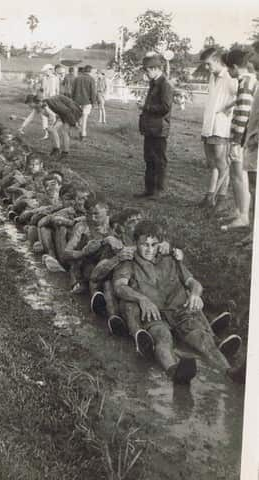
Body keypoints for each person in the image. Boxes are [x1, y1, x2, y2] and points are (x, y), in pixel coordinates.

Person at [112, 220, 242, 383]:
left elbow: (193, 283)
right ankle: (174, 371)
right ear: (135, 243)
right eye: (144, 244)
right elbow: (119, 287)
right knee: (163, 337)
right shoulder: (129, 262)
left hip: (179, 310)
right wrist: (142, 298)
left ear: (160, 244)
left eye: (154, 244)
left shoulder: (170, 259)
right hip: (154, 313)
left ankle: (230, 372)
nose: (149, 249)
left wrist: (195, 294)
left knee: (202, 337)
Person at [221, 49, 257, 230]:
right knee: (238, 176)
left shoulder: (245, 83)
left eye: (229, 68)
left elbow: (244, 115)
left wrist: (236, 141)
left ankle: (243, 216)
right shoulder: (250, 80)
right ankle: (238, 211)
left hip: (241, 139)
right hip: (244, 138)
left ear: (235, 67)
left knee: (238, 176)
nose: (228, 72)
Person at [199, 48, 238, 213]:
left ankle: (221, 198)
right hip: (208, 126)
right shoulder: (212, 76)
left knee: (222, 164)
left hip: (221, 127)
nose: (207, 68)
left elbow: (240, 95)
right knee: (212, 163)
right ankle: (209, 196)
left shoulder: (229, 76)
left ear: (217, 60)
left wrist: (226, 108)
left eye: (208, 64)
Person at [135, 55, 173, 200]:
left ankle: (159, 191)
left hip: (159, 129)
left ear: (156, 69)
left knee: (159, 161)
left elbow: (165, 107)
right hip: (150, 128)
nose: (146, 74)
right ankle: (149, 190)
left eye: (148, 70)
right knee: (149, 159)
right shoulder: (154, 83)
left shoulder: (165, 85)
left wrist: (146, 107)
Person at [19, 93, 82, 158]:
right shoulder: (37, 107)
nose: (28, 105)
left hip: (71, 111)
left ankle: (64, 152)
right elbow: (30, 118)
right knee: (51, 130)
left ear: (33, 102)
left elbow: (53, 114)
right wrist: (22, 127)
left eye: (29, 103)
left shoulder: (43, 105)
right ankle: (56, 149)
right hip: (62, 114)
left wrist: (74, 122)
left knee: (63, 131)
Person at [72, 64, 96, 140]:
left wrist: (73, 100)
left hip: (77, 101)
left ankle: (79, 131)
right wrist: (93, 102)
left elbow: (73, 91)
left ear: (83, 70)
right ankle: (83, 134)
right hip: (87, 101)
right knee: (84, 117)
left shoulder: (77, 78)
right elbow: (93, 92)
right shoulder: (91, 79)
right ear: (90, 71)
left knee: (79, 118)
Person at [40, 64, 60, 139]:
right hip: (45, 99)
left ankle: (52, 131)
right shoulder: (44, 78)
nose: (44, 72)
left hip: (52, 99)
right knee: (44, 116)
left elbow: (57, 90)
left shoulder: (55, 78)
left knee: (52, 116)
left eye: (45, 71)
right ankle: (46, 133)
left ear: (49, 70)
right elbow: (42, 89)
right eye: (44, 71)